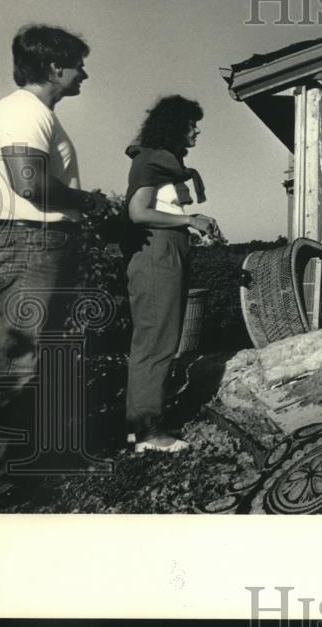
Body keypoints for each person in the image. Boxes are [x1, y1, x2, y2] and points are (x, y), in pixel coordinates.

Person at [0, 25, 107, 490]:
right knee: (15, 365)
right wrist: (87, 201)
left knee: (39, 358)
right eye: (77, 64)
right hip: (27, 243)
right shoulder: (21, 110)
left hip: (41, 242)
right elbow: (27, 182)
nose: (84, 73)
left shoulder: (38, 113)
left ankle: (30, 468)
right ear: (54, 67)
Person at [122, 96, 216, 453]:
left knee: (153, 341)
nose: (196, 130)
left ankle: (139, 429)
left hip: (165, 248)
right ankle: (149, 433)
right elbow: (137, 211)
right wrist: (189, 219)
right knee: (158, 343)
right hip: (157, 253)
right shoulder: (152, 159)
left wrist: (190, 224)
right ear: (173, 126)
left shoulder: (164, 162)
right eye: (191, 124)